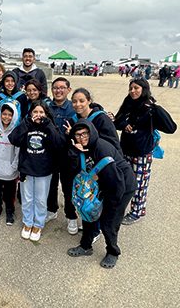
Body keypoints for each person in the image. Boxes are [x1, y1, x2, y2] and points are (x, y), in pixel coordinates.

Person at [66, 120, 137, 269]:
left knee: (109, 221)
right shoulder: (81, 148)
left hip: (121, 186)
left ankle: (113, 251)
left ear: (92, 132)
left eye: (85, 133)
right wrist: (75, 150)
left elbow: (117, 183)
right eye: (78, 135)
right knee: (89, 213)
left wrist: (110, 207)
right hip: (100, 185)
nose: (82, 137)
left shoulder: (101, 149)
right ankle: (86, 246)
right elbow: (73, 169)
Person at [113, 78, 177, 225]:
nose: (133, 91)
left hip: (142, 153)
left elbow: (171, 128)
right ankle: (120, 207)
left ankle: (136, 212)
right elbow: (117, 120)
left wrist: (155, 108)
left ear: (144, 89)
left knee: (140, 183)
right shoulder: (128, 103)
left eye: (136, 88)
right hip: (125, 150)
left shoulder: (150, 108)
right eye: (131, 88)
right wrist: (124, 124)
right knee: (123, 181)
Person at [9, 101, 63, 241]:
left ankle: (38, 224)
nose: (38, 115)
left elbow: (59, 143)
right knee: (27, 199)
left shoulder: (50, 127)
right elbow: (13, 139)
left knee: (40, 199)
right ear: (31, 113)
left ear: (46, 114)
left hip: (44, 170)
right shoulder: (26, 125)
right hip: (27, 169)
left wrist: (48, 124)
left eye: (41, 112)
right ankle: (27, 223)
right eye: (35, 112)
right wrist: (26, 123)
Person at [45, 77, 78, 234]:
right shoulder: (46, 107)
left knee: (68, 187)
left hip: (67, 155)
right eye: (55, 88)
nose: (58, 91)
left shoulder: (73, 108)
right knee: (51, 185)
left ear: (68, 90)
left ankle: (71, 217)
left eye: (62, 88)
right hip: (50, 154)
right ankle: (52, 210)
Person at [66, 88, 121, 152]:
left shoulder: (102, 118)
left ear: (89, 101)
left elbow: (112, 143)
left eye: (82, 101)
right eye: (74, 101)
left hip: (101, 156)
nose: (78, 104)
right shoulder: (72, 121)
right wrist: (70, 134)